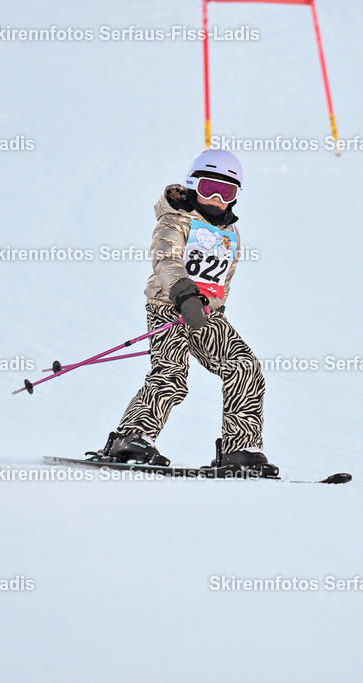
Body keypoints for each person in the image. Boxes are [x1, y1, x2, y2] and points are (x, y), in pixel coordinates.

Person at [87, 149, 276, 475]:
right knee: (171, 374)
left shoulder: (231, 232)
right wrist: (184, 293)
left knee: (244, 367)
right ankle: (131, 438)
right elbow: (166, 259)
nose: (216, 198)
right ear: (192, 186)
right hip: (169, 308)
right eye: (207, 189)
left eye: (227, 192)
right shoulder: (174, 220)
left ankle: (240, 448)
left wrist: (206, 304)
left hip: (207, 316)